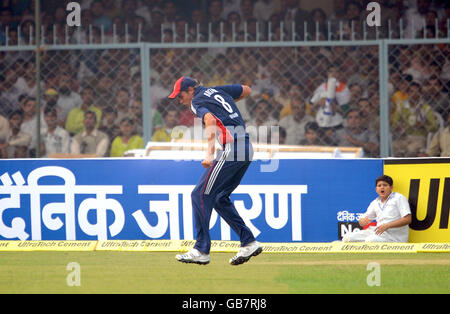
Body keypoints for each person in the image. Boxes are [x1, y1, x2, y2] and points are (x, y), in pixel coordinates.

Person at [169, 76, 261, 266]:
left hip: (232, 148)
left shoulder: (196, 101)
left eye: (180, 96)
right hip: (246, 147)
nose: (180, 101)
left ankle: (201, 250)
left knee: (199, 195)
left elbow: (210, 120)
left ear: (190, 90)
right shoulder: (218, 91)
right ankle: (249, 242)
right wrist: (225, 104)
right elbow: (246, 89)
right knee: (219, 197)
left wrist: (209, 153)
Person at [342, 175, 412, 243]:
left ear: (391, 187)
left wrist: (387, 225)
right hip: (378, 233)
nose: (382, 188)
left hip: (395, 236)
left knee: (370, 240)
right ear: (376, 189)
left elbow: (407, 219)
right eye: (379, 186)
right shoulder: (375, 202)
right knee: (347, 238)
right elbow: (365, 219)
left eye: (385, 185)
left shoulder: (399, 198)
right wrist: (362, 221)